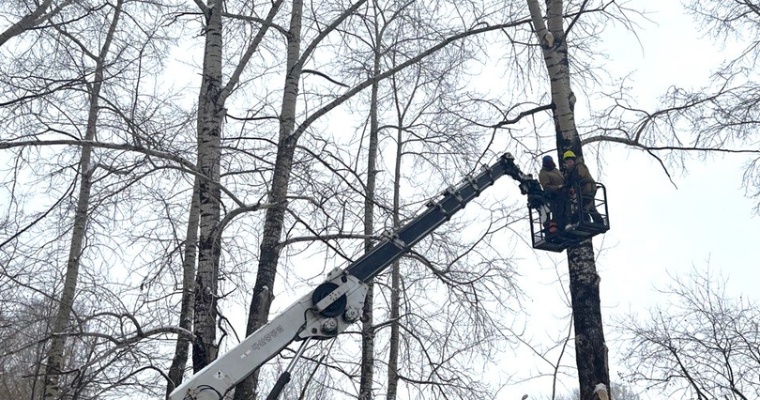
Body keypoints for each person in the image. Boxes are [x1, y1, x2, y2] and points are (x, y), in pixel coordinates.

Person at [562, 150, 603, 225]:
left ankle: (585, 221)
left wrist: (569, 182)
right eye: (567, 163)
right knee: (590, 207)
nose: (569, 164)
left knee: (583, 207)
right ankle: (599, 222)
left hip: (588, 189)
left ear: (574, 161)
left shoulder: (580, 166)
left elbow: (578, 176)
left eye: (570, 161)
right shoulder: (571, 171)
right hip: (583, 191)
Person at [538, 155, 566, 233]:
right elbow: (546, 187)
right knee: (558, 212)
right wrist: (558, 187)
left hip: (564, 193)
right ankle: (557, 228)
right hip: (555, 196)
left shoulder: (556, 170)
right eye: (548, 163)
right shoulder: (543, 174)